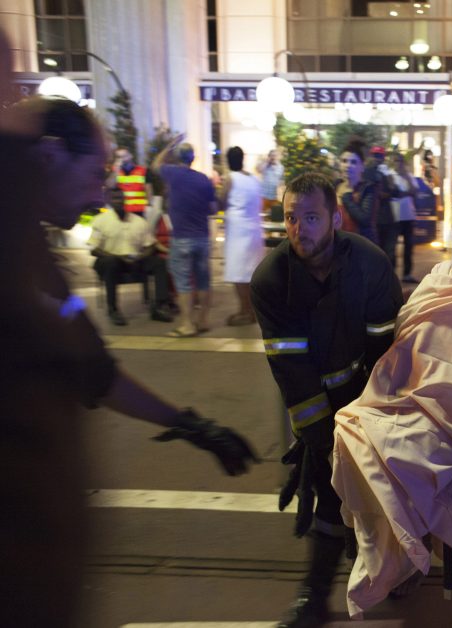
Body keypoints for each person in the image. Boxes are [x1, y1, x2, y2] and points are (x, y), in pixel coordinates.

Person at [0, 94, 256, 628]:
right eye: (95, 173)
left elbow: (91, 363)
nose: (102, 193)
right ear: (46, 157)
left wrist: (191, 425)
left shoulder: (32, 255)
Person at [332, 200, 452, 618]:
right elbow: (406, 339)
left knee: (404, 453)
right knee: (351, 429)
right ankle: (397, 550)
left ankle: (409, 553)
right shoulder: (436, 279)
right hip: (409, 393)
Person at [250, 172, 403, 627]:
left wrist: (372, 423)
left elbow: (388, 352)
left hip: (371, 392)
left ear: (336, 217)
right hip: (313, 397)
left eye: (311, 217)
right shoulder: (271, 279)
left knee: (388, 489)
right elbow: (292, 372)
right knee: (328, 489)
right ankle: (315, 595)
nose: (299, 229)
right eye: (291, 217)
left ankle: (396, 566)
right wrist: (323, 443)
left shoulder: (370, 264)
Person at [151, 135, 218, 337]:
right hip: (202, 237)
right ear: (193, 158)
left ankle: (187, 324)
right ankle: (203, 320)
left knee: (183, 283)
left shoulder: (172, 174)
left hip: (181, 237)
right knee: (203, 280)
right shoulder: (203, 179)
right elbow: (213, 208)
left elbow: (155, 165)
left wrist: (169, 144)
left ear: (177, 158)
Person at [89, 185, 174, 325]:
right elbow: (94, 249)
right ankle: (113, 309)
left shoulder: (139, 221)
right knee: (111, 263)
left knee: (159, 262)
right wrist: (117, 257)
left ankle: (160, 306)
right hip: (110, 260)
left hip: (135, 260)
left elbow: (150, 245)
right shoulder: (100, 220)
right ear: (109, 200)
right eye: (115, 198)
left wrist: (140, 256)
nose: (119, 201)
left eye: (121, 198)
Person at [218, 146, 265, 326]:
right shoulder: (254, 179)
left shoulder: (230, 178)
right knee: (250, 274)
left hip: (237, 232)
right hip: (254, 230)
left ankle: (246, 311)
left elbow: (221, 200)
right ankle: (250, 310)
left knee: (239, 275)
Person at [338, 142, 379, 244]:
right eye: (344, 161)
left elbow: (365, 220)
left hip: (360, 245)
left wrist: (347, 199)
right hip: (338, 244)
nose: (348, 165)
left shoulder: (367, 188)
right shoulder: (335, 186)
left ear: (362, 166)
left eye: (353, 162)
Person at [389, 152, 420, 283]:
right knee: (392, 247)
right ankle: (392, 275)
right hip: (394, 216)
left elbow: (415, 191)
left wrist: (406, 182)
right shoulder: (390, 175)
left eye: (400, 161)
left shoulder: (408, 176)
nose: (398, 163)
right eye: (396, 161)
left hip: (408, 216)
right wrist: (404, 193)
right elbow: (392, 190)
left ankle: (407, 274)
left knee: (409, 246)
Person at [110, 146, 151, 216]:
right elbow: (110, 186)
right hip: (120, 210)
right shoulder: (115, 171)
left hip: (138, 210)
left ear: (131, 156)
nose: (122, 159)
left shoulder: (142, 170)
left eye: (125, 156)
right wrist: (116, 172)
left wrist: (149, 204)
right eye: (119, 157)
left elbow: (148, 189)